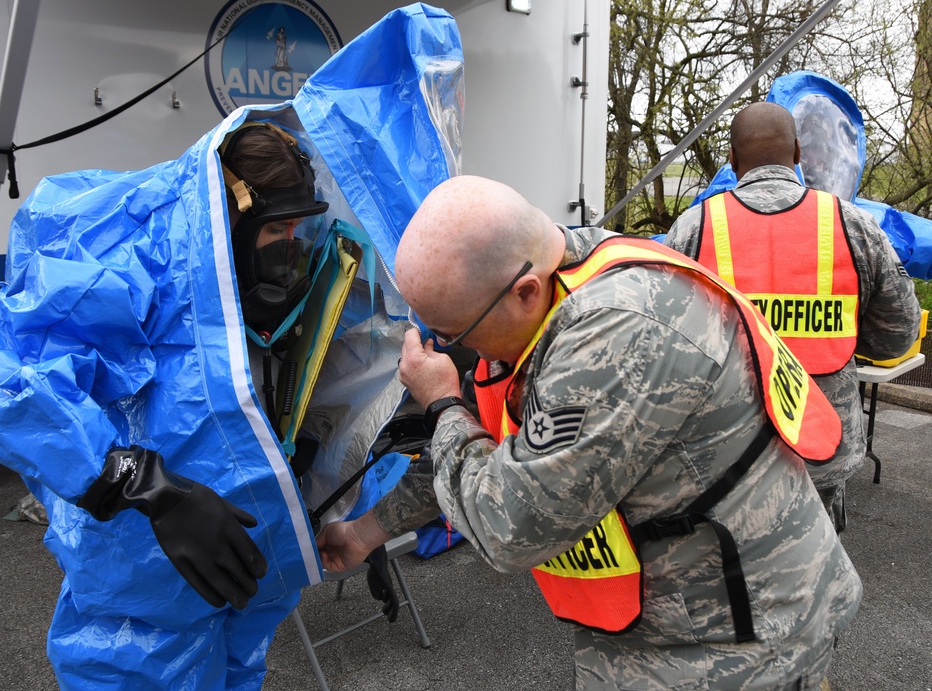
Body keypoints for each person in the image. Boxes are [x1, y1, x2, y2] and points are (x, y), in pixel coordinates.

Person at [318, 174, 865, 689]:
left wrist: (440, 402)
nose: (447, 350)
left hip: (735, 646)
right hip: (676, 630)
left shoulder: (620, 334)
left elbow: (508, 525)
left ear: (524, 291)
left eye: (450, 334)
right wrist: (367, 530)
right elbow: (490, 446)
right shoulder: (551, 278)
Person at [0, 118, 334, 689]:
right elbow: (17, 379)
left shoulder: (233, 269)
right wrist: (144, 485)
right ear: (231, 213)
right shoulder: (141, 255)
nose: (289, 245)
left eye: (297, 228)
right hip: (145, 570)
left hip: (236, 556)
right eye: (275, 229)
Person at [664, 102, 922, 533]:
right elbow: (897, 337)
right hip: (819, 451)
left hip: (720, 455)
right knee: (813, 586)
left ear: (732, 160)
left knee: (727, 583)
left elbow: (663, 344)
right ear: (798, 153)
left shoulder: (693, 229)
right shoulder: (853, 225)